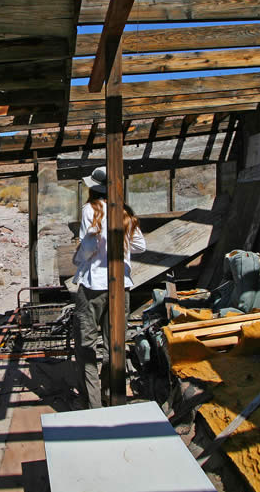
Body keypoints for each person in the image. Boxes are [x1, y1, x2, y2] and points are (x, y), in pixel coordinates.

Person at [71, 166, 146, 409]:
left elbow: (90, 246)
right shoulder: (124, 212)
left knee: (86, 347)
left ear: (93, 188)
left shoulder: (89, 210)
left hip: (93, 286)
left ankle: (93, 405)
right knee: (114, 343)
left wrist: (82, 254)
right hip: (120, 286)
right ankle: (110, 397)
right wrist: (120, 243)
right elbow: (140, 246)